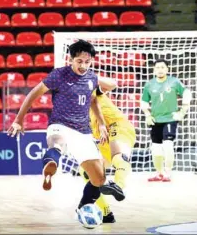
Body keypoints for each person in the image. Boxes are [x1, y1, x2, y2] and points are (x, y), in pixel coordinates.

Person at [7, 40, 125, 210]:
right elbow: (34, 93)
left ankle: (95, 191)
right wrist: (19, 120)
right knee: (56, 143)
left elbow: (93, 101)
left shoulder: (92, 78)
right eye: (79, 61)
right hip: (59, 123)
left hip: (84, 131)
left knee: (98, 179)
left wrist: (100, 124)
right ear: (71, 60)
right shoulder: (59, 75)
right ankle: (50, 167)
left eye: (87, 62)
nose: (83, 65)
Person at [78, 82, 136, 223]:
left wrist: (91, 76)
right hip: (101, 138)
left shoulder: (89, 86)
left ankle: (119, 186)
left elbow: (113, 84)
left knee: (119, 155)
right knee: (86, 170)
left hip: (117, 125)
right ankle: (105, 213)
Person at [141, 59, 192, 182]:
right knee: (156, 148)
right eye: (157, 67)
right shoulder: (149, 84)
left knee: (168, 145)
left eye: (162, 67)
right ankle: (159, 173)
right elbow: (144, 101)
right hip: (155, 120)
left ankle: (168, 172)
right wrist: (148, 115)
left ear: (167, 69)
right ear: (154, 70)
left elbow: (187, 92)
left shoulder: (174, 81)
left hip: (170, 119)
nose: (160, 69)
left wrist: (182, 111)